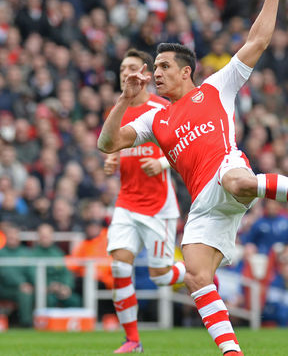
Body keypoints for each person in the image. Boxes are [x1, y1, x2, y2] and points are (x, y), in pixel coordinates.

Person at [98, 0, 288, 356]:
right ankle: (232, 352)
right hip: (203, 204)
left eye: (164, 66)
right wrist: (123, 99)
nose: (156, 73)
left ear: (186, 72)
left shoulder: (215, 87)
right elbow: (107, 144)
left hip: (227, 169)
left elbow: (257, 41)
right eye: (155, 68)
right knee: (195, 276)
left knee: (237, 181)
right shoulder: (155, 119)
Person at [101, 48, 186, 354]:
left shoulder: (162, 108)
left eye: (132, 67)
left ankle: (192, 271)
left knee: (160, 277)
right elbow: (112, 144)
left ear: (146, 75)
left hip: (158, 206)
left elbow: (186, 147)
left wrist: (162, 163)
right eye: (123, 68)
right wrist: (112, 159)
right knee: (119, 266)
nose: (126, 73)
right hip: (126, 202)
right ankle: (132, 340)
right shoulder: (117, 109)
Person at [0, 224, 34, 327]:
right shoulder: (1, 253)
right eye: (10, 236)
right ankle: (26, 324)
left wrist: (35, 284)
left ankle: (42, 322)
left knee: (39, 292)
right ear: (6, 237)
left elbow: (31, 271)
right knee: (24, 294)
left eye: (15, 235)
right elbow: (5, 273)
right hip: (5, 288)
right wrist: (21, 283)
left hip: (25, 286)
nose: (12, 238)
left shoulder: (26, 252)